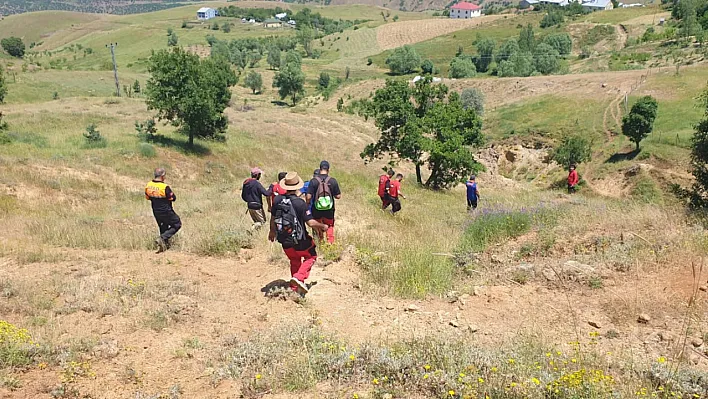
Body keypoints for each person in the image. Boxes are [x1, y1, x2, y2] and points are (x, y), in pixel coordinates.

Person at [269, 172, 329, 296]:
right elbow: (311, 223)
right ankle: (299, 278)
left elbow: (273, 218)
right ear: (297, 186)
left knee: (294, 260)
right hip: (300, 241)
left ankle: (294, 288)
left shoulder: (278, 200)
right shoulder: (299, 203)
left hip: (284, 240)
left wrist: (272, 232)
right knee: (311, 256)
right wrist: (323, 226)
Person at [145, 168, 181, 253]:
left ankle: (164, 247)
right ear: (162, 176)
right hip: (166, 211)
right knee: (177, 224)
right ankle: (162, 238)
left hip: (155, 210)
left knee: (163, 227)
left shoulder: (148, 185)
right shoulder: (164, 187)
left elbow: (147, 197)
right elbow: (173, 198)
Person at [306, 161, 341, 244]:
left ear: (320, 168)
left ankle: (319, 243)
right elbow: (338, 196)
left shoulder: (313, 181)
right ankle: (330, 244)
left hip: (316, 208)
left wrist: (307, 204)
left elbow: (308, 197)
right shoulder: (332, 181)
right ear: (328, 169)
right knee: (329, 226)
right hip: (329, 209)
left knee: (318, 226)